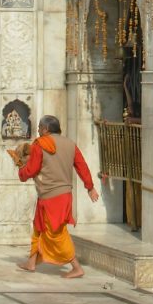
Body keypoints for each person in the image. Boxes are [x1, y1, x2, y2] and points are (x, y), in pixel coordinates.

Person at [16, 114, 99, 278]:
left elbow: (31, 170)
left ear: (46, 129)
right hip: (63, 195)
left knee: (56, 233)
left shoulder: (40, 144)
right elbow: (82, 166)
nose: (38, 131)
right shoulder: (70, 144)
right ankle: (31, 263)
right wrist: (90, 187)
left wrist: (21, 171)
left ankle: (76, 267)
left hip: (51, 197)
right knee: (38, 227)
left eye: (40, 128)